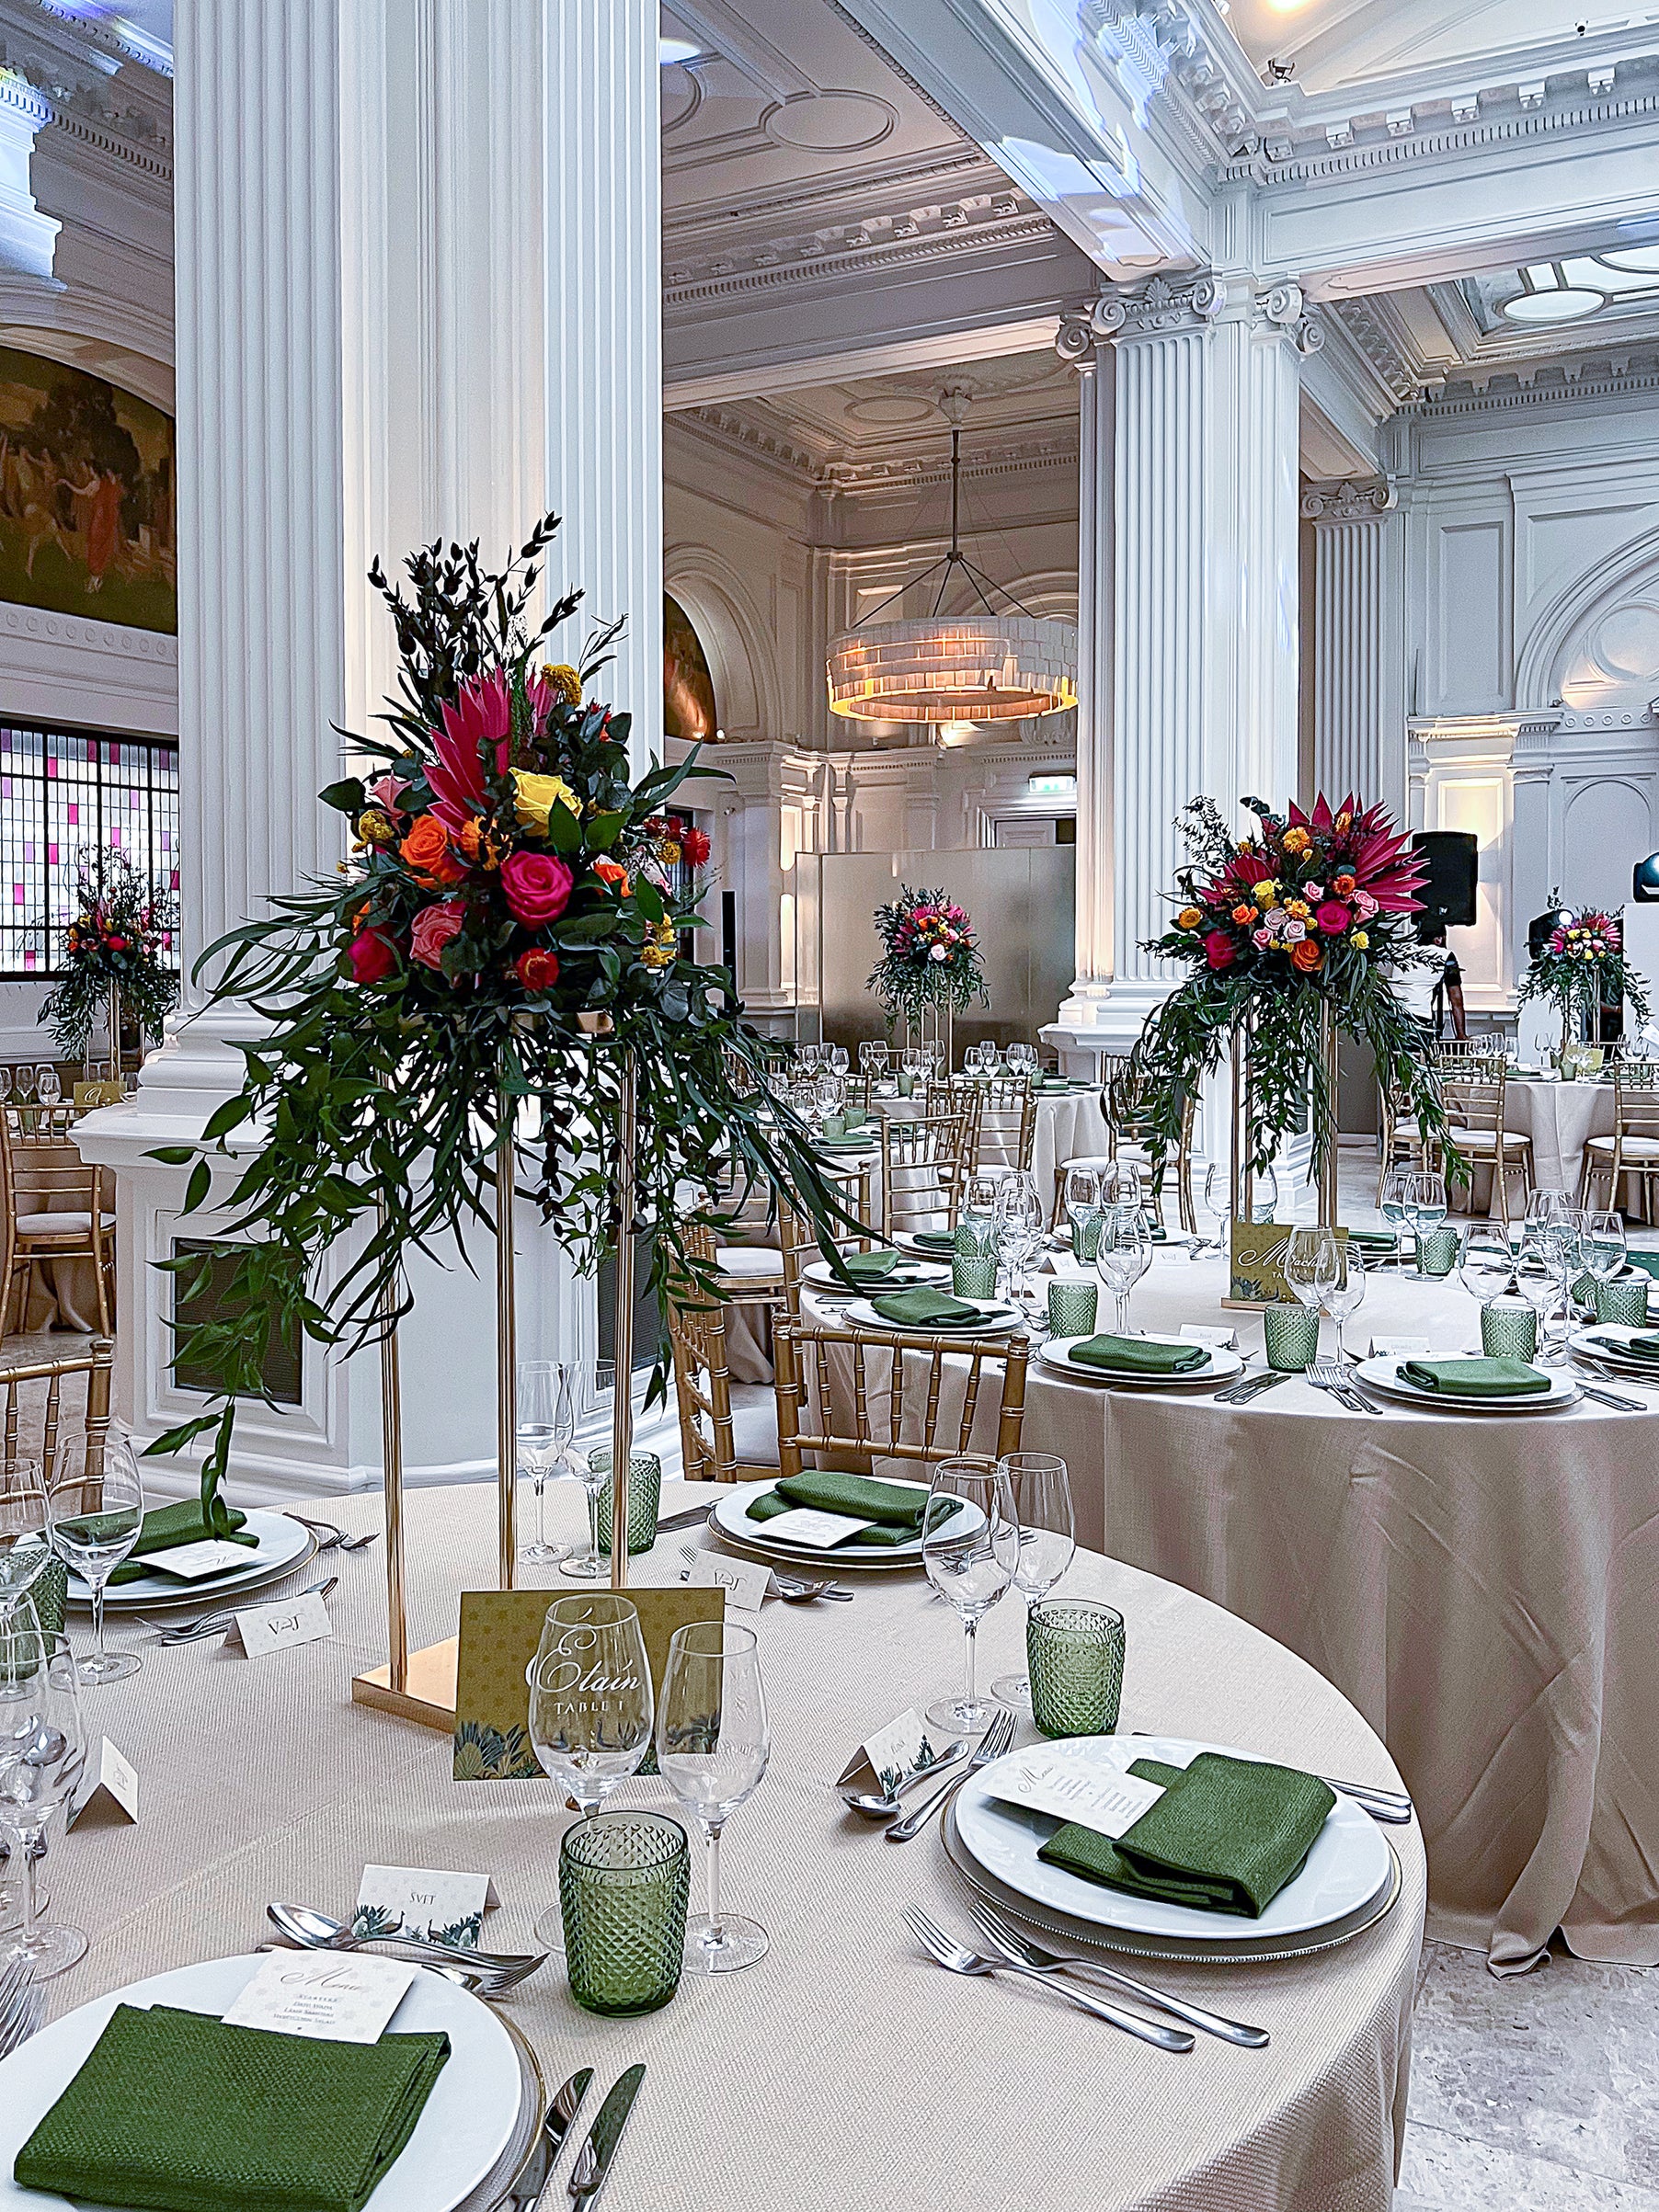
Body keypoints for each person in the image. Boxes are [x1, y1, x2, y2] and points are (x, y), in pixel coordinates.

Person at [1389, 924, 1466, 1043]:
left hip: (1391, 1018)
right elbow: (1456, 1001)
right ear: (1439, 939)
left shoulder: (1401, 951)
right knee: (1420, 1060)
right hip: (1419, 1020)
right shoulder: (1445, 956)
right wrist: (1461, 1036)